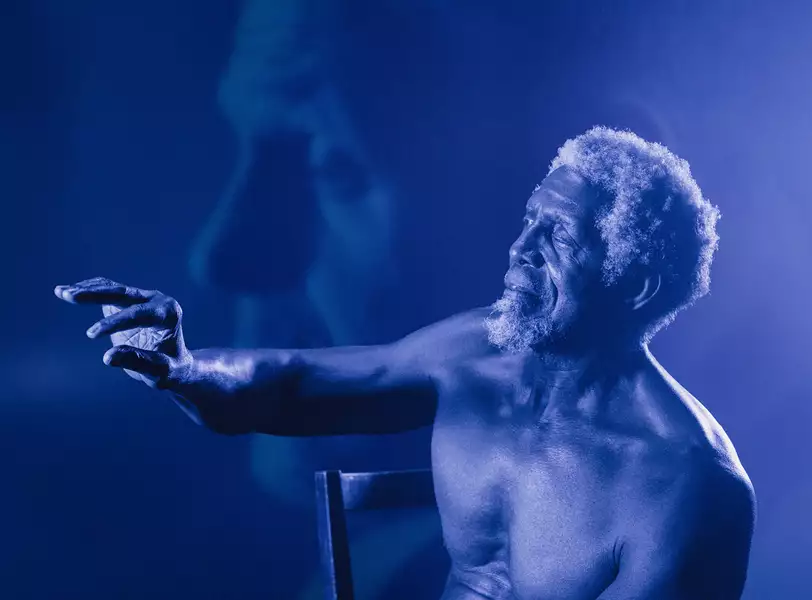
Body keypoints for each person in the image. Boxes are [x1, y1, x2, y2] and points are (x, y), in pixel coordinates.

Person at [56, 126, 755, 600]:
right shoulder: (480, 353)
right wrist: (185, 366)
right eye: (528, 222)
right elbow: (292, 386)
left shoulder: (687, 486)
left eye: (559, 239)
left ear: (633, 286)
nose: (520, 250)